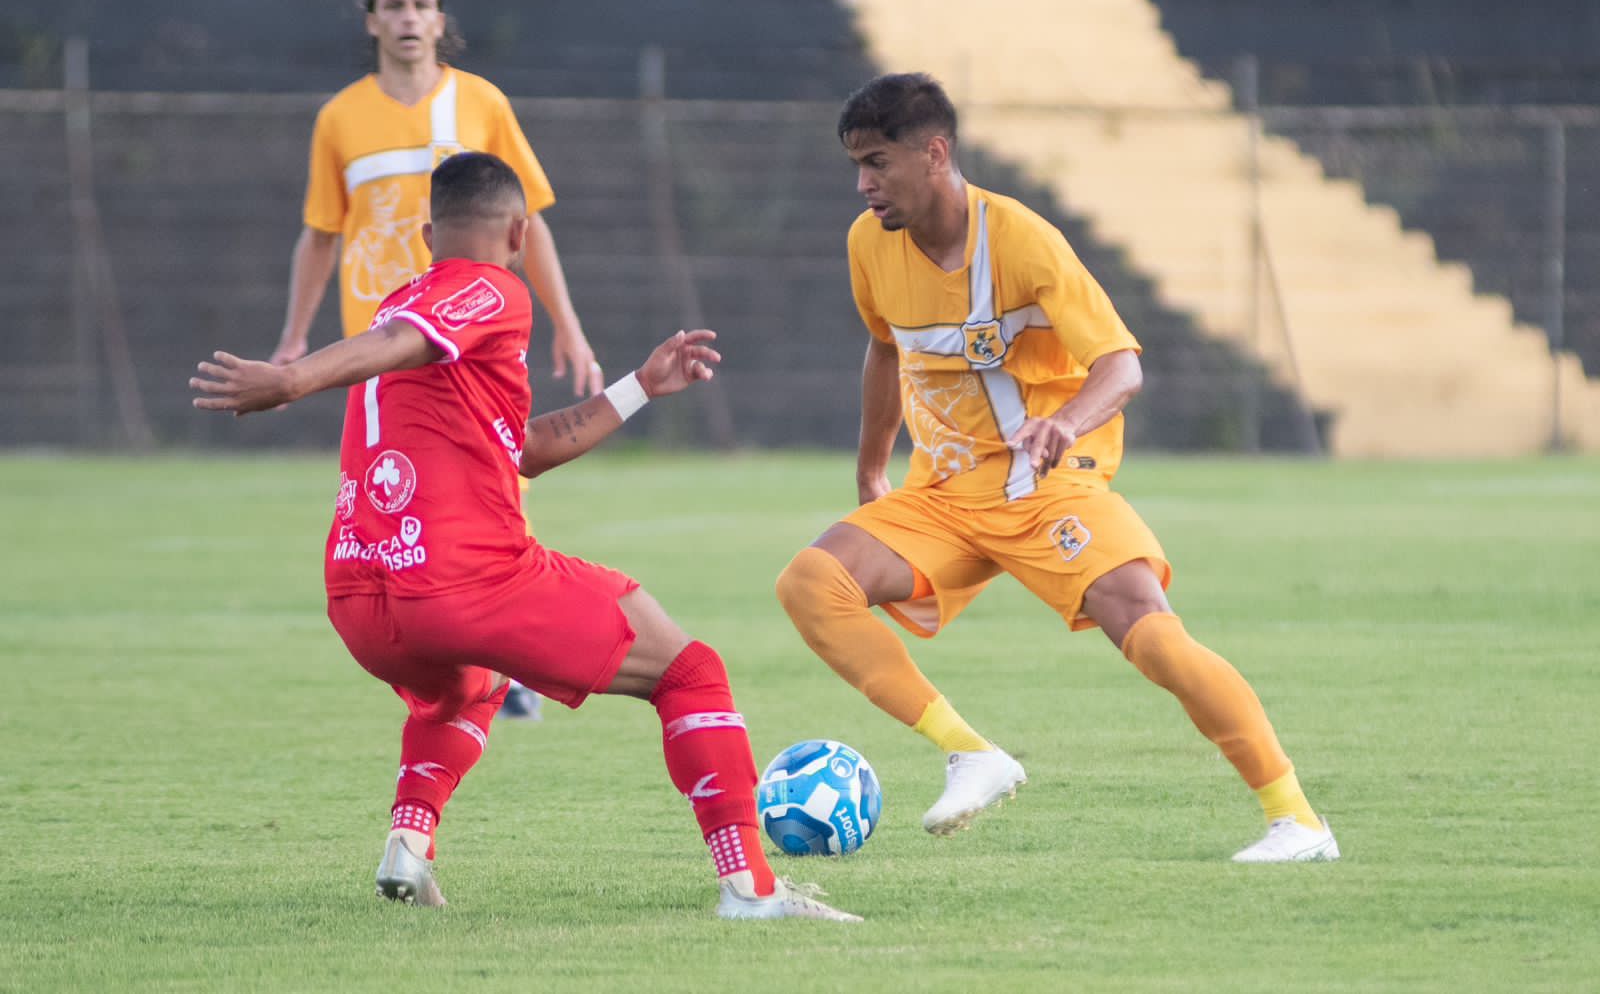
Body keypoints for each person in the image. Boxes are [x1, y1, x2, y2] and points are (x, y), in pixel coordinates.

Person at [193, 152, 861, 920]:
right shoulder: (491, 289)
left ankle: (408, 844)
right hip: (461, 579)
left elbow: (522, 450)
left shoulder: (404, 304)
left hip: (360, 597)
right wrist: (291, 380)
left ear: (424, 234)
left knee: (471, 688)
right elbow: (406, 343)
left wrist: (640, 386)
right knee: (690, 672)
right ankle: (750, 888)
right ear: (518, 233)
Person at [775, 73, 1339, 863]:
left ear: (934, 154)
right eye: (856, 167)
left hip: (1046, 486)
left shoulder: (1020, 240)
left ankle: (1299, 821)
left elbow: (1122, 365)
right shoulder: (868, 243)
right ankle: (971, 754)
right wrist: (873, 469)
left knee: (1153, 639)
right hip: (941, 498)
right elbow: (883, 348)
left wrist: (1064, 423)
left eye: (877, 162)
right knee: (810, 583)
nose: (864, 185)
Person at [272, 0, 600, 720]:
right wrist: (294, 341)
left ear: (441, 19)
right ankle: (437, 651)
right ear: (372, 22)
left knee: (495, 482)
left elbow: (531, 221)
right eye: (394, 6)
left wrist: (569, 326)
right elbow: (319, 236)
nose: (409, 19)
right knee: (394, 497)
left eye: (422, 5)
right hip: (382, 347)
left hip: (469, 344)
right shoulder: (341, 119)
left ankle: (504, 655)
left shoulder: (480, 103)